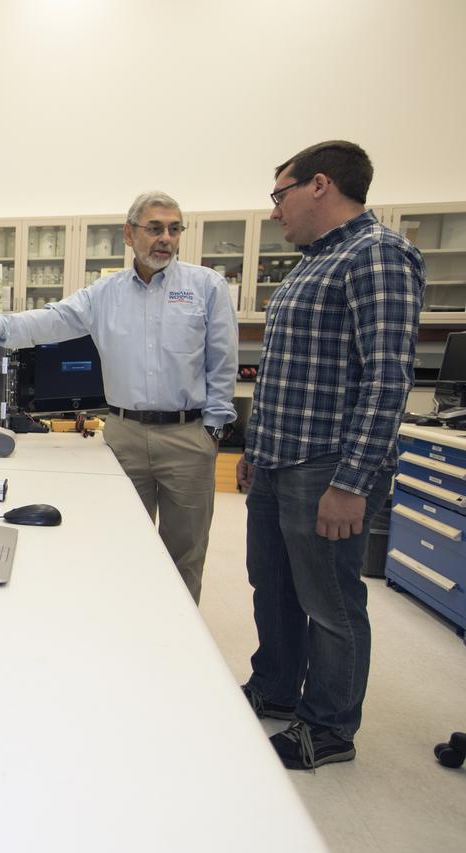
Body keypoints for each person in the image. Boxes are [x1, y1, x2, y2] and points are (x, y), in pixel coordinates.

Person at [0, 192, 237, 603]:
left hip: (187, 438)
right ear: (129, 234)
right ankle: (129, 626)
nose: (165, 238)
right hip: (124, 436)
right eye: (155, 228)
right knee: (124, 544)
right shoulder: (105, 294)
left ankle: (177, 646)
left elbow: (223, 361)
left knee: (184, 553)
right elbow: (50, 321)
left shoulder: (206, 286)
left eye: (174, 229)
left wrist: (213, 431)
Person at [237, 141, 424, 770]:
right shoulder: (313, 263)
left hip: (327, 469)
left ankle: (330, 726)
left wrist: (352, 483)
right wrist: (256, 452)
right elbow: (289, 375)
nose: (274, 211)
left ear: (320, 185)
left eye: (279, 194)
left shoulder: (377, 254)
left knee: (331, 603)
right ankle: (276, 688)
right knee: (274, 589)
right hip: (279, 462)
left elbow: (387, 380)